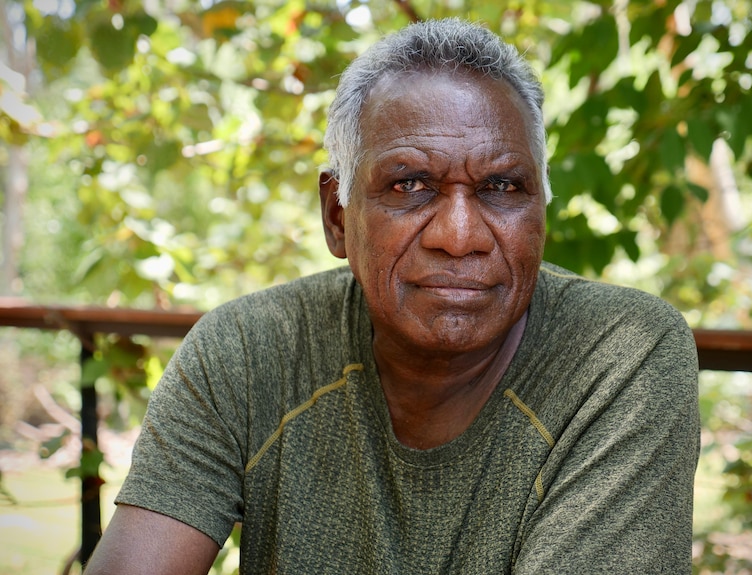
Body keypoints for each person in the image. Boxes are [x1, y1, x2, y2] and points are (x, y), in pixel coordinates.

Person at [84, 18, 700, 575]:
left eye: (502, 186)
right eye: (411, 186)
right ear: (336, 216)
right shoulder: (248, 352)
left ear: (540, 208)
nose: (459, 237)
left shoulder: (623, 357)